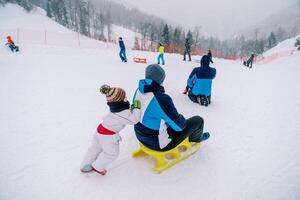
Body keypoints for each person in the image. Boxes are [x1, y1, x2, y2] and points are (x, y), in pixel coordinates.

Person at [132, 64, 209, 151]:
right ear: (161, 79)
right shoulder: (161, 99)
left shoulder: (138, 91)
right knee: (198, 120)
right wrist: (180, 119)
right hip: (157, 143)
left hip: (139, 135)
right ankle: (196, 139)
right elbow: (179, 127)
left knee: (167, 120)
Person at [80, 85, 141, 175]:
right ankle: (98, 166)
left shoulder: (115, 108)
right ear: (120, 100)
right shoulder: (121, 112)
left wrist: (130, 109)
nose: (126, 97)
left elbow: (125, 114)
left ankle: (85, 164)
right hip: (107, 136)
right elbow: (133, 120)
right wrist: (136, 109)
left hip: (100, 130)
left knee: (94, 149)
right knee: (112, 153)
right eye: (124, 97)